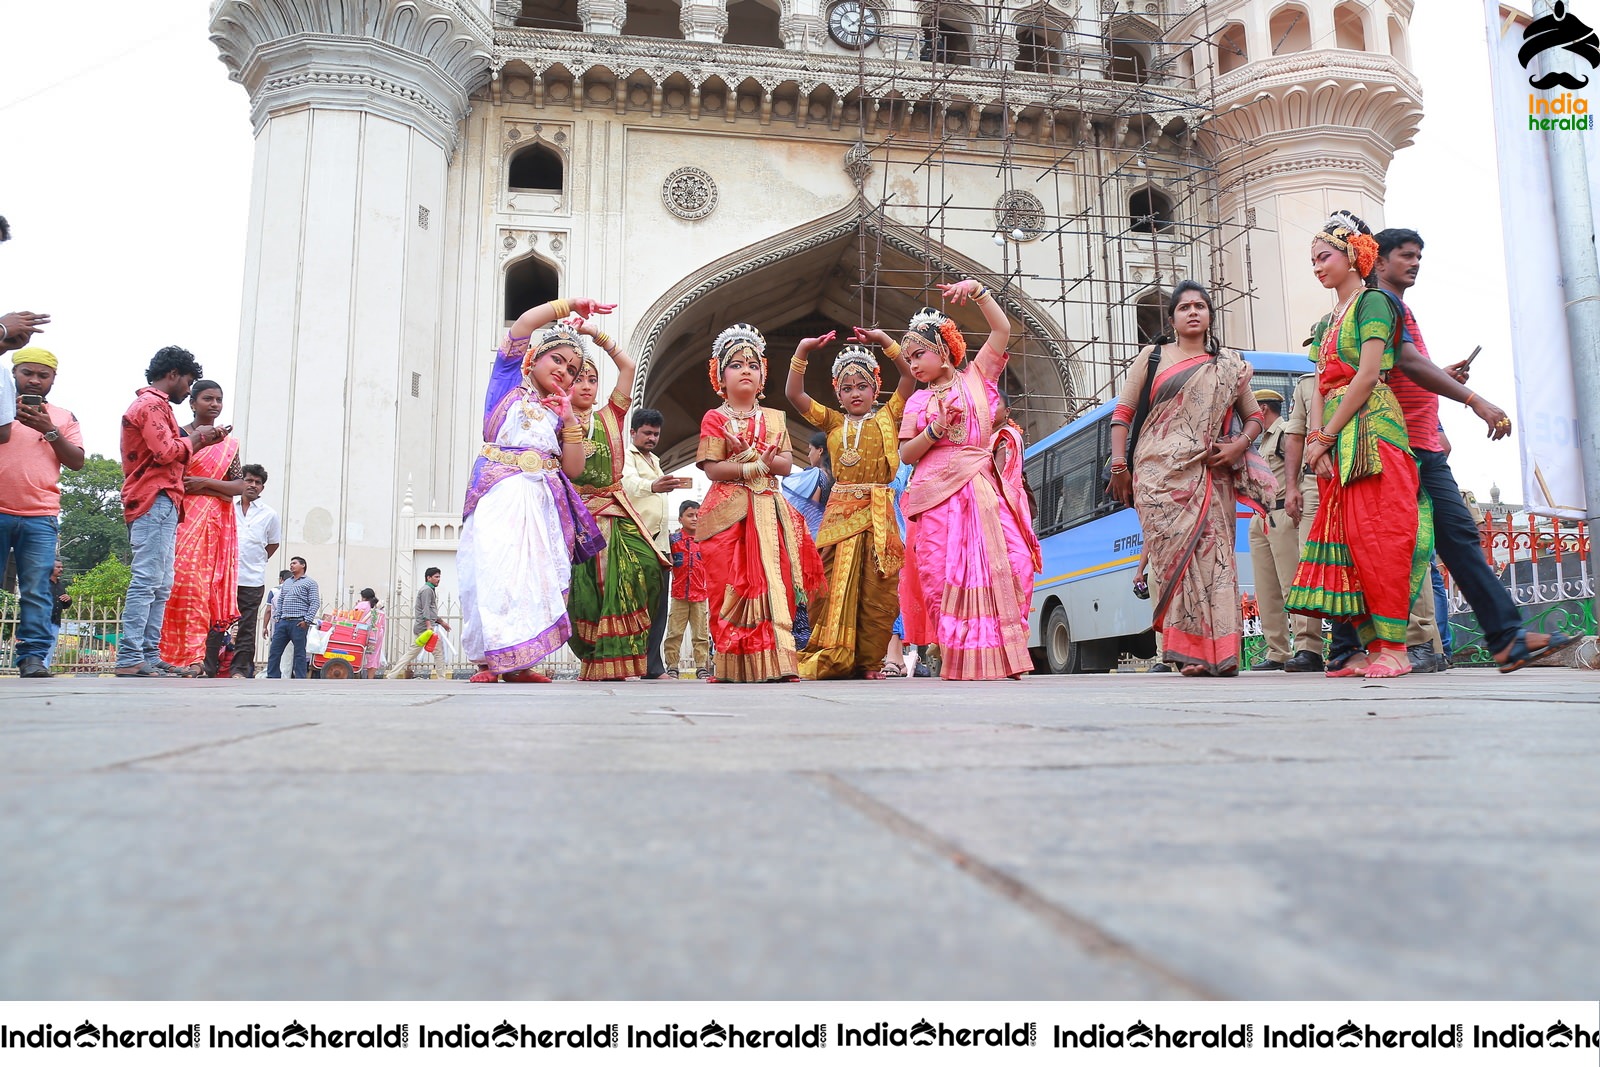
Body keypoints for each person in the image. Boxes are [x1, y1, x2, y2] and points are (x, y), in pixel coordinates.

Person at [1354, 225, 1570, 674]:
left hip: (1421, 445)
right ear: (1379, 261)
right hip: (1400, 447)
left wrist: (1445, 377)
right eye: (1406, 256)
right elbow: (1408, 363)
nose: (1414, 263)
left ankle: (1506, 638)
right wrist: (1474, 399)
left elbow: (1407, 365)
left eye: (1419, 257)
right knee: (1393, 546)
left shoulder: (1395, 307)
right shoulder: (1382, 303)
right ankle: (1354, 646)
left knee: (1455, 538)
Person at [1286, 211, 1431, 679]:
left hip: (1373, 431)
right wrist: (1319, 441)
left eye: (1323, 256)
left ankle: (1397, 648)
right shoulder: (1329, 321)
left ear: (1352, 256)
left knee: (1380, 536)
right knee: (1349, 543)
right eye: (1312, 260)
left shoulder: (1372, 303)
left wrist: (1326, 435)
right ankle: (1371, 648)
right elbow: (1320, 387)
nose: (1316, 266)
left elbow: (1368, 375)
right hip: (1340, 437)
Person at [1107, 281, 1275, 678]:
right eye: (1185, 307)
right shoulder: (1152, 357)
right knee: (1171, 563)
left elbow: (1253, 417)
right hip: (1156, 477)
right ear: (1172, 318)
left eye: (1201, 306)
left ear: (1210, 315)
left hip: (1210, 473)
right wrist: (1119, 466)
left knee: (1215, 562)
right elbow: (1123, 414)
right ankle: (1188, 654)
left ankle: (1220, 653)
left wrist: (1238, 448)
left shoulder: (1228, 365)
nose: (1193, 312)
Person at [458, 299, 606, 682]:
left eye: (572, 370)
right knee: (495, 573)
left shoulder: (560, 410)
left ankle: (520, 665)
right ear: (533, 359)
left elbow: (573, 468)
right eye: (557, 360)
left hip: (542, 500)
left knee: (534, 578)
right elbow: (523, 322)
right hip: (499, 493)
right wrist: (570, 306)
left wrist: (570, 416)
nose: (564, 371)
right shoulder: (508, 379)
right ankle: (491, 662)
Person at [898, 280, 1040, 681]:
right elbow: (906, 454)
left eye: (919, 354)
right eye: (908, 359)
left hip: (982, 491)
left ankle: (1005, 652)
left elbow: (1002, 331)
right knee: (942, 575)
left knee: (1013, 564)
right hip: (936, 497)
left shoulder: (978, 378)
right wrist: (934, 431)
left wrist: (979, 292)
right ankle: (957, 655)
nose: (913, 365)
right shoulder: (918, 401)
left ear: (943, 351)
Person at [694, 323, 825, 682]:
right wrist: (755, 463)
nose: (746, 370)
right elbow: (712, 469)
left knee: (774, 581)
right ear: (720, 376)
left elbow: (783, 464)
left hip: (768, 510)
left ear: (763, 375)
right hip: (727, 513)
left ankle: (778, 663)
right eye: (736, 364)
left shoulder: (775, 418)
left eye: (753, 364)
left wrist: (756, 461)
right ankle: (729, 665)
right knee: (728, 584)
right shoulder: (715, 418)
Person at [785, 327, 914, 680]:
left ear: (875, 386)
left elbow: (908, 375)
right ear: (837, 394)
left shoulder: (889, 415)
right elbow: (794, 394)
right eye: (846, 388)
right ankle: (831, 653)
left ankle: (869, 662)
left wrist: (885, 342)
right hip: (839, 516)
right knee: (827, 588)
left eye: (861, 386)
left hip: (878, 516)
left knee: (878, 591)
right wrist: (802, 348)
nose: (855, 393)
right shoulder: (832, 421)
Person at [563, 315, 673, 681]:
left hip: (615, 512)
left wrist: (597, 335)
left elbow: (627, 366)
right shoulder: (555, 418)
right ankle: (596, 660)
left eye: (592, 379)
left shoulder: (611, 416)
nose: (587, 385)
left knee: (647, 573)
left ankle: (624, 657)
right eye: (579, 378)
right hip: (577, 516)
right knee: (585, 591)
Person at [116, 346, 229, 678]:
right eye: (189, 382)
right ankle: (129, 656)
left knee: (161, 582)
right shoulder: (151, 405)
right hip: (153, 497)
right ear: (174, 375)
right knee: (147, 579)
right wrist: (198, 438)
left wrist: (198, 440)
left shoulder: (156, 405)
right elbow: (166, 452)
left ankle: (147, 654)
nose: (189, 389)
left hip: (165, 499)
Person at [0, 348, 84, 678]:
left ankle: (33, 658)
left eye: (42, 375)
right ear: (13, 375)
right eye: (27, 373)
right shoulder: (1, 410)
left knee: (36, 589)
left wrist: (49, 429)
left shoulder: (64, 416)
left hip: (41, 515)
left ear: (53, 380)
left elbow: (76, 461)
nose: (34, 380)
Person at [159, 380, 245, 677]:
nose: (215, 404)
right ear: (193, 402)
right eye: (208, 398)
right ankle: (163, 655)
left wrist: (205, 484)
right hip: (180, 518)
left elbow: (238, 486)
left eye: (219, 399)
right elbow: (172, 475)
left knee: (199, 591)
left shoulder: (228, 445)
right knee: (174, 585)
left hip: (212, 526)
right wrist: (215, 490)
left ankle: (194, 659)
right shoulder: (179, 436)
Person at [1246, 388, 1324, 671]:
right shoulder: (1260, 440)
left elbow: (1300, 472)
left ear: (1263, 409)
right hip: (1260, 515)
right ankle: (1277, 650)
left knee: (1293, 583)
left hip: (1282, 512)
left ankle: (1307, 647)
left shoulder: (1284, 433)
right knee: (1266, 590)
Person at [621, 408, 686, 679]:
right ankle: (624, 662)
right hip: (636, 539)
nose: (652, 438)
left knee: (658, 607)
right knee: (632, 603)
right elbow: (627, 484)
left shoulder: (655, 460)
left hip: (659, 543)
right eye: (647, 433)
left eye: (655, 434)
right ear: (633, 432)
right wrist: (653, 487)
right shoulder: (626, 456)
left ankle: (653, 666)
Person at [230, 464, 280, 677]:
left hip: (252, 579)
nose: (252, 485)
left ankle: (240, 670)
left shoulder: (270, 515)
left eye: (257, 483)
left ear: (262, 488)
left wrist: (258, 561)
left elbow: (273, 544)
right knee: (215, 623)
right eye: (249, 480)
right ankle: (208, 667)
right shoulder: (227, 506)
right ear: (241, 482)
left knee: (247, 626)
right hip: (224, 577)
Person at [664, 500, 710, 678]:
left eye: (698, 515)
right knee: (674, 632)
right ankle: (672, 666)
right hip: (679, 595)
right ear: (680, 518)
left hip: (699, 595)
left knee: (700, 634)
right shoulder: (673, 541)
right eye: (690, 515)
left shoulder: (705, 540)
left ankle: (701, 666)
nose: (695, 519)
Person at [386, 567, 449, 679]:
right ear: (428, 578)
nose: (438, 579)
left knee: (412, 652)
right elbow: (426, 609)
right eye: (436, 577)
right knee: (438, 652)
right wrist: (429, 626)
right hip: (425, 628)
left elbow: (430, 611)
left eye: (439, 577)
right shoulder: (427, 590)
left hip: (423, 627)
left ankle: (392, 674)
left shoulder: (429, 590)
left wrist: (442, 622)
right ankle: (441, 677)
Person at [266, 556, 321, 679]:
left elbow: (315, 602)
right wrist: (278, 617)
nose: (291, 565)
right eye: (291, 563)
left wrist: (306, 620)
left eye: (294, 563)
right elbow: (281, 600)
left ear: (303, 565)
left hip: (298, 622)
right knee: (275, 650)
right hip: (283, 621)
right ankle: (272, 676)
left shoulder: (310, 582)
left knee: (299, 653)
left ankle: (300, 678)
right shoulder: (287, 582)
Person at [261, 567, 293, 678]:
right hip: (293, 626)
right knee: (287, 657)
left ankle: (271, 676)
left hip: (276, 627)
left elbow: (268, 610)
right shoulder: (297, 588)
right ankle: (285, 677)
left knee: (274, 654)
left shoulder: (274, 590)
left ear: (281, 579)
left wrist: (264, 627)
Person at [47, 560, 71, 669]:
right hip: (43, 621)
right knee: (40, 647)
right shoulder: (43, 583)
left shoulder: (61, 586)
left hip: (55, 622)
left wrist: (69, 599)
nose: (61, 569)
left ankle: (44, 669)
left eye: (62, 567)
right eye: (58, 567)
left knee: (50, 648)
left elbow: (64, 605)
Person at [356, 588, 386, 678]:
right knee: (374, 655)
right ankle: (370, 678)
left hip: (364, 633)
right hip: (377, 634)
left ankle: (358, 674)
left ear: (364, 597)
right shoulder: (380, 607)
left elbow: (355, 617)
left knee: (360, 653)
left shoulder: (362, 604)